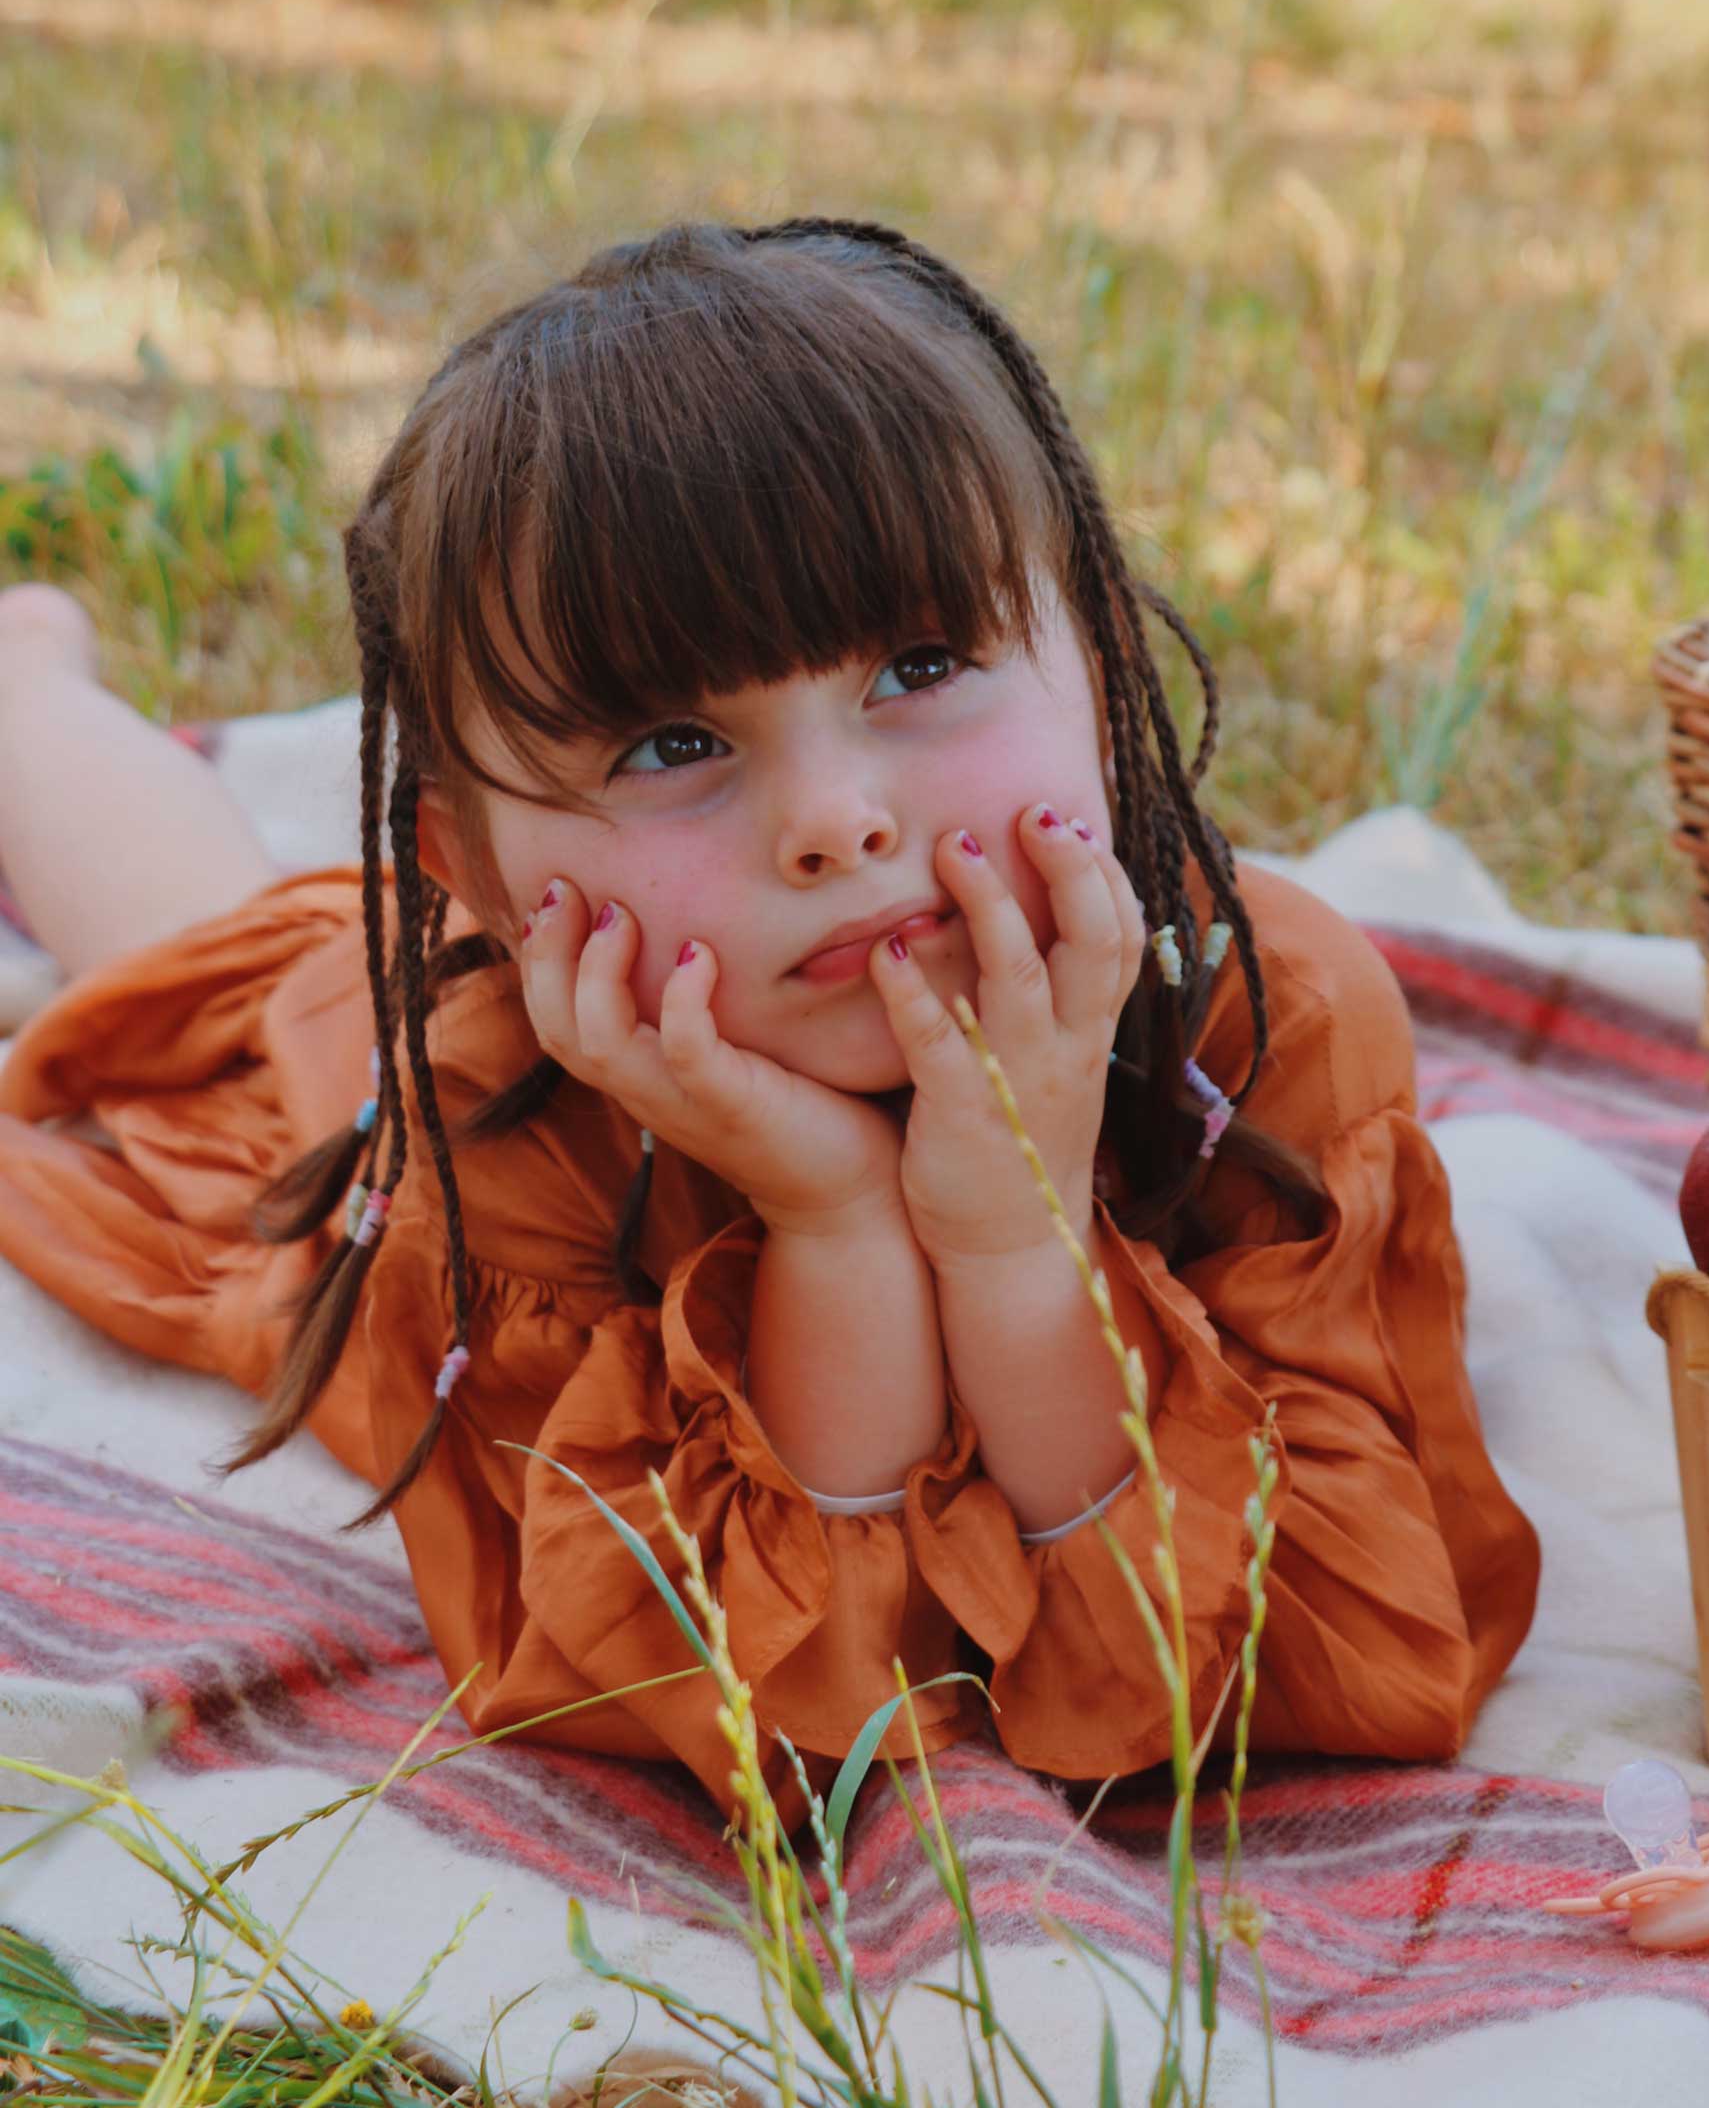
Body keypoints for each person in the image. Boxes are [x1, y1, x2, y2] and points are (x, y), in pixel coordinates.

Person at [0, 218, 1537, 1812]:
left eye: (923, 664)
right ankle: (28, 675)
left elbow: (1336, 1646)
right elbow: (778, 1724)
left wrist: (1017, 1236)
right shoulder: (481, 1128)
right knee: (231, 978)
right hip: (489, 1087)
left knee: (259, 936)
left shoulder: (1255, 1018)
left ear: (1091, 650)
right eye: (674, 746)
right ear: (486, 879)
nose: (834, 820)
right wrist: (841, 1224)